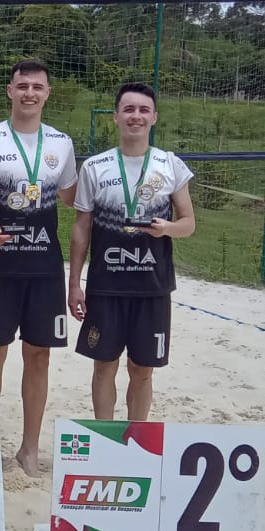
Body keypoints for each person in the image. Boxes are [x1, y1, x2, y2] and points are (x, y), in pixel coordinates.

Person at [0, 58, 78, 475]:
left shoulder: (61, 144)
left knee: (39, 355)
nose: (30, 92)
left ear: (48, 93)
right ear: (10, 91)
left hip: (44, 266)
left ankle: (29, 449)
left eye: (37, 87)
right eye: (22, 85)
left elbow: (72, 201)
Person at [67, 82, 197, 419]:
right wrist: (74, 283)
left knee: (142, 370)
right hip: (106, 287)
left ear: (154, 117)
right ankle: (105, 437)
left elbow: (188, 224)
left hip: (152, 288)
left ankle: (136, 439)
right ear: (115, 117)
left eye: (143, 110)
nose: (135, 116)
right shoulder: (95, 167)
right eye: (128, 109)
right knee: (103, 367)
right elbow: (81, 227)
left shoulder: (170, 165)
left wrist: (165, 228)